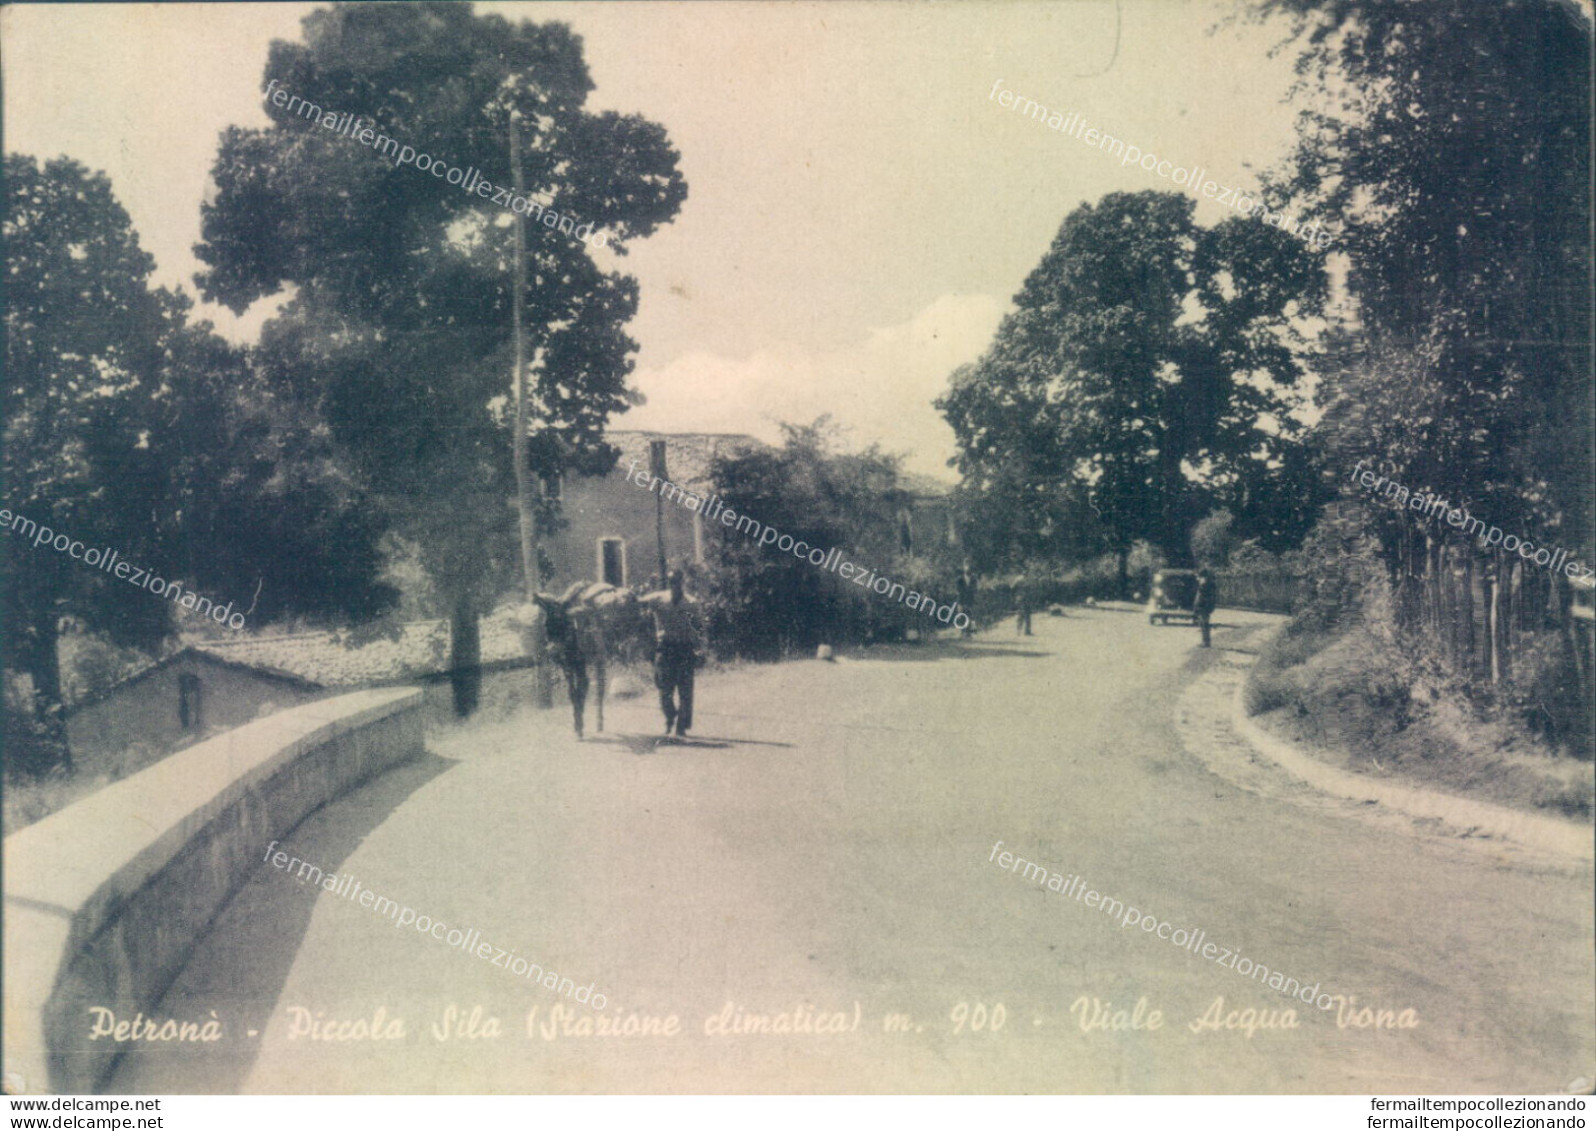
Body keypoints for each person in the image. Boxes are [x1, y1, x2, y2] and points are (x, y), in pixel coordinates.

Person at [641, 569, 702, 738]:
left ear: (681, 582)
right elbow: (640, 603)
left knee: (685, 690)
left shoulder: (690, 603)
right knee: (663, 689)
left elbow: (697, 627)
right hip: (665, 647)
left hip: (684, 649)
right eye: (670, 581)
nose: (673, 584)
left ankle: (681, 726)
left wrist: (700, 649)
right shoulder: (659, 599)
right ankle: (670, 717)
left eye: (675, 581)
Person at [1193, 567, 1218, 648]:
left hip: (1203, 606)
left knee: (1204, 624)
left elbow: (1201, 597)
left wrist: (1199, 606)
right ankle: (1206, 641)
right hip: (1205, 606)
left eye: (1199, 576)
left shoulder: (1204, 584)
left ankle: (1206, 642)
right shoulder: (1209, 583)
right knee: (1204, 624)